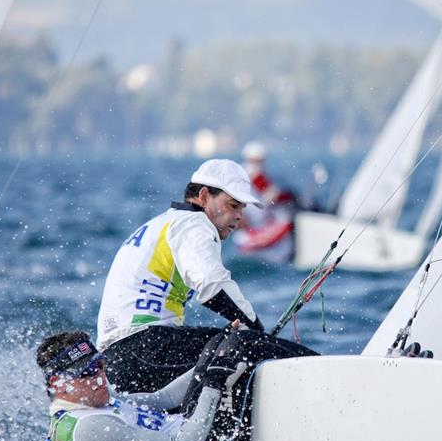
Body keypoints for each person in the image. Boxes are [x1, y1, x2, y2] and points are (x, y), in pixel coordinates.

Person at [96, 158, 315, 395]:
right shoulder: (194, 223)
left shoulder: (163, 222)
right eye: (233, 206)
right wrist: (256, 331)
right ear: (203, 197)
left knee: (229, 344)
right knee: (246, 348)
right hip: (142, 349)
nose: (240, 216)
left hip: (118, 358)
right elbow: (213, 286)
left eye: (242, 208)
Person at [37, 330, 249, 441]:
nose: (100, 378)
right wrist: (212, 385)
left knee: (233, 343)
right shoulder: (86, 428)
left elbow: (163, 398)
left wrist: (210, 362)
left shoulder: (98, 404)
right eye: (88, 373)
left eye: (99, 366)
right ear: (58, 384)